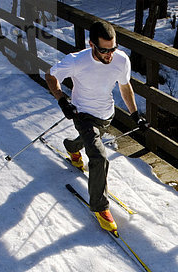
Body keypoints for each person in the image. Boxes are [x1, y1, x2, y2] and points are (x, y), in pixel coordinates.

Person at [46, 20, 148, 233]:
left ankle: (72, 148)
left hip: (106, 115)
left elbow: (125, 86)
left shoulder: (121, 60)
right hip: (82, 114)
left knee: (88, 143)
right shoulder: (77, 61)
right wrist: (62, 100)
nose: (109, 55)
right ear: (91, 44)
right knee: (99, 156)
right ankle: (100, 208)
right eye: (104, 50)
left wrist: (135, 114)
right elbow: (51, 75)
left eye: (113, 49)